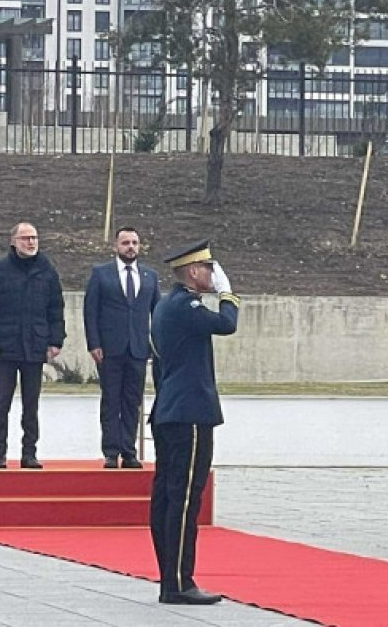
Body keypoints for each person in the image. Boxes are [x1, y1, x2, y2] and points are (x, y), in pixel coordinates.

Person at [149, 239, 239, 604]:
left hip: (170, 410)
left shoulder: (164, 307)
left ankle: (169, 578)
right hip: (189, 415)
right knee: (185, 498)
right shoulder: (186, 306)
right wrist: (227, 294)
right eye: (207, 268)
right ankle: (178, 582)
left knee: (167, 498)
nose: (211, 274)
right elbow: (226, 324)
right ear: (192, 272)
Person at [0, 222, 65, 470]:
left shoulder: (46, 270)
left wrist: (55, 340)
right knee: (2, 402)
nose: (31, 242)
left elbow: (55, 308)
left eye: (34, 238)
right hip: (5, 347)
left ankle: (29, 453)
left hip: (35, 347)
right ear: (13, 241)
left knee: (31, 404)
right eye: (25, 238)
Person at [84, 226, 160, 469]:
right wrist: (94, 343)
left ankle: (129, 451)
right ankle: (110, 451)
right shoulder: (101, 274)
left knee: (132, 401)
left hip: (137, 349)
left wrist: (155, 345)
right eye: (126, 242)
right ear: (116, 246)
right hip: (109, 349)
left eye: (135, 243)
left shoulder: (149, 277)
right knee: (111, 400)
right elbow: (90, 312)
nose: (130, 247)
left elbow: (157, 314)